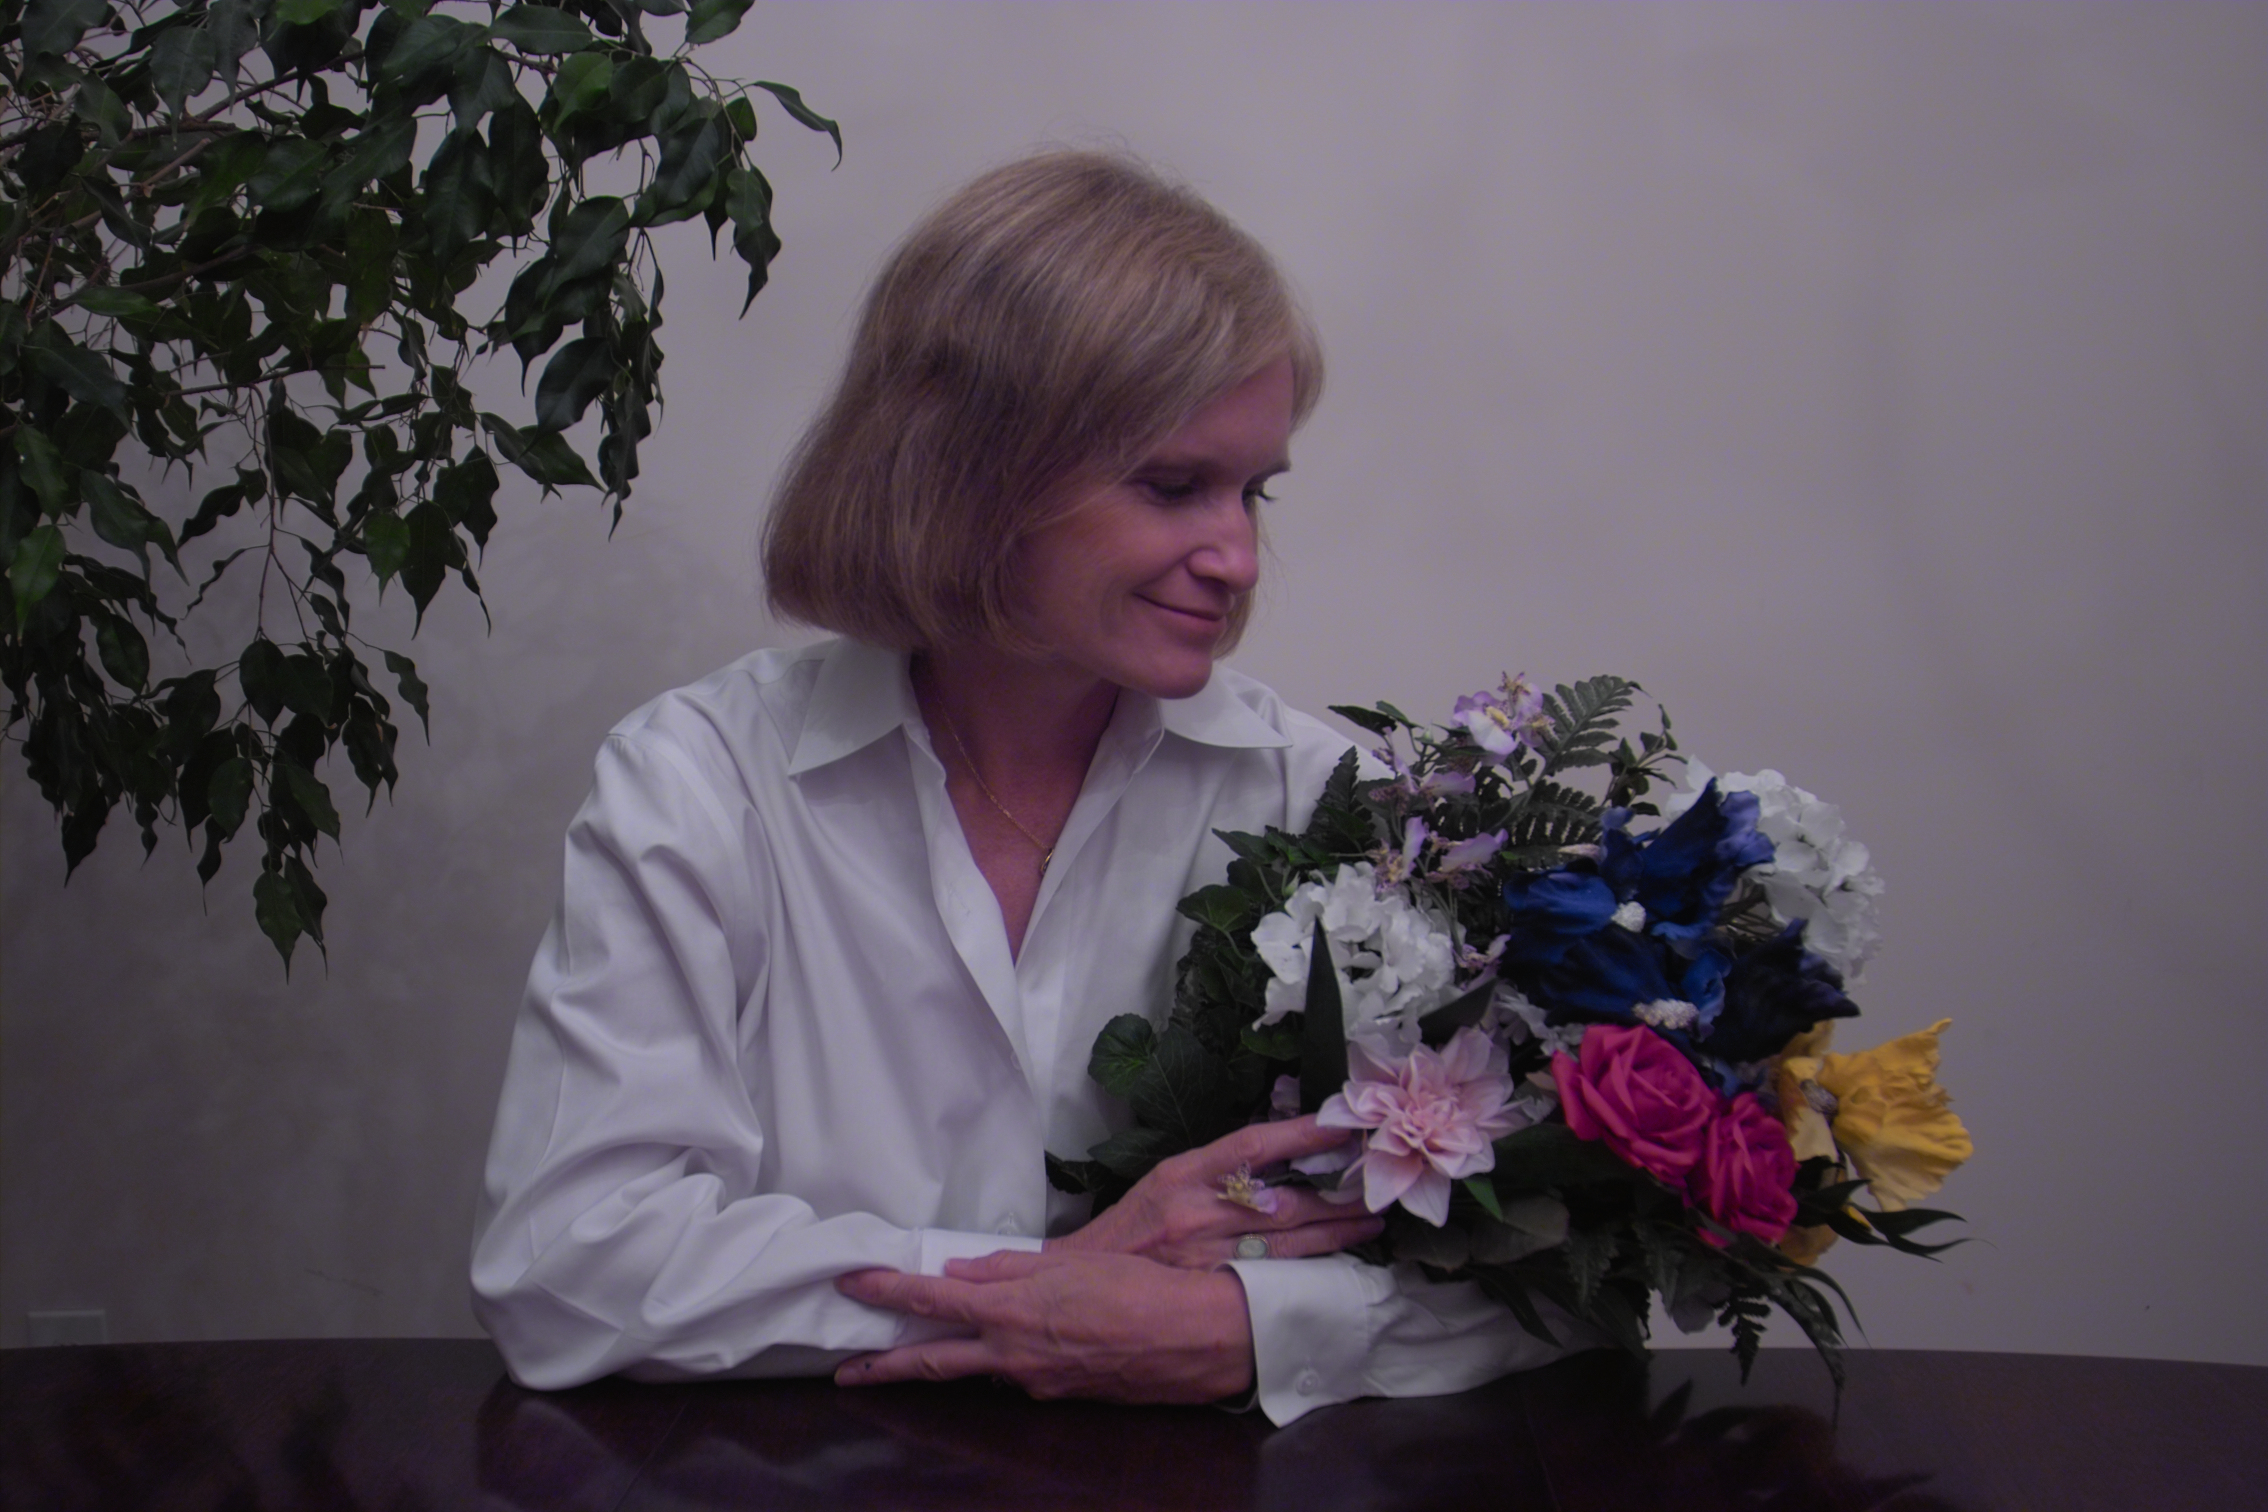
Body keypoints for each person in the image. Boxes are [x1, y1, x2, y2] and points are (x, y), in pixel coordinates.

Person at [470, 151, 1575, 1423]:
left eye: (1254, 490)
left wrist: (1246, 1329)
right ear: (970, 470)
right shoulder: (704, 783)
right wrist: (1053, 1292)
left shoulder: (1334, 808)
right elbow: (566, 1270)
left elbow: (1572, 1282)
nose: (1237, 555)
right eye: (1173, 486)